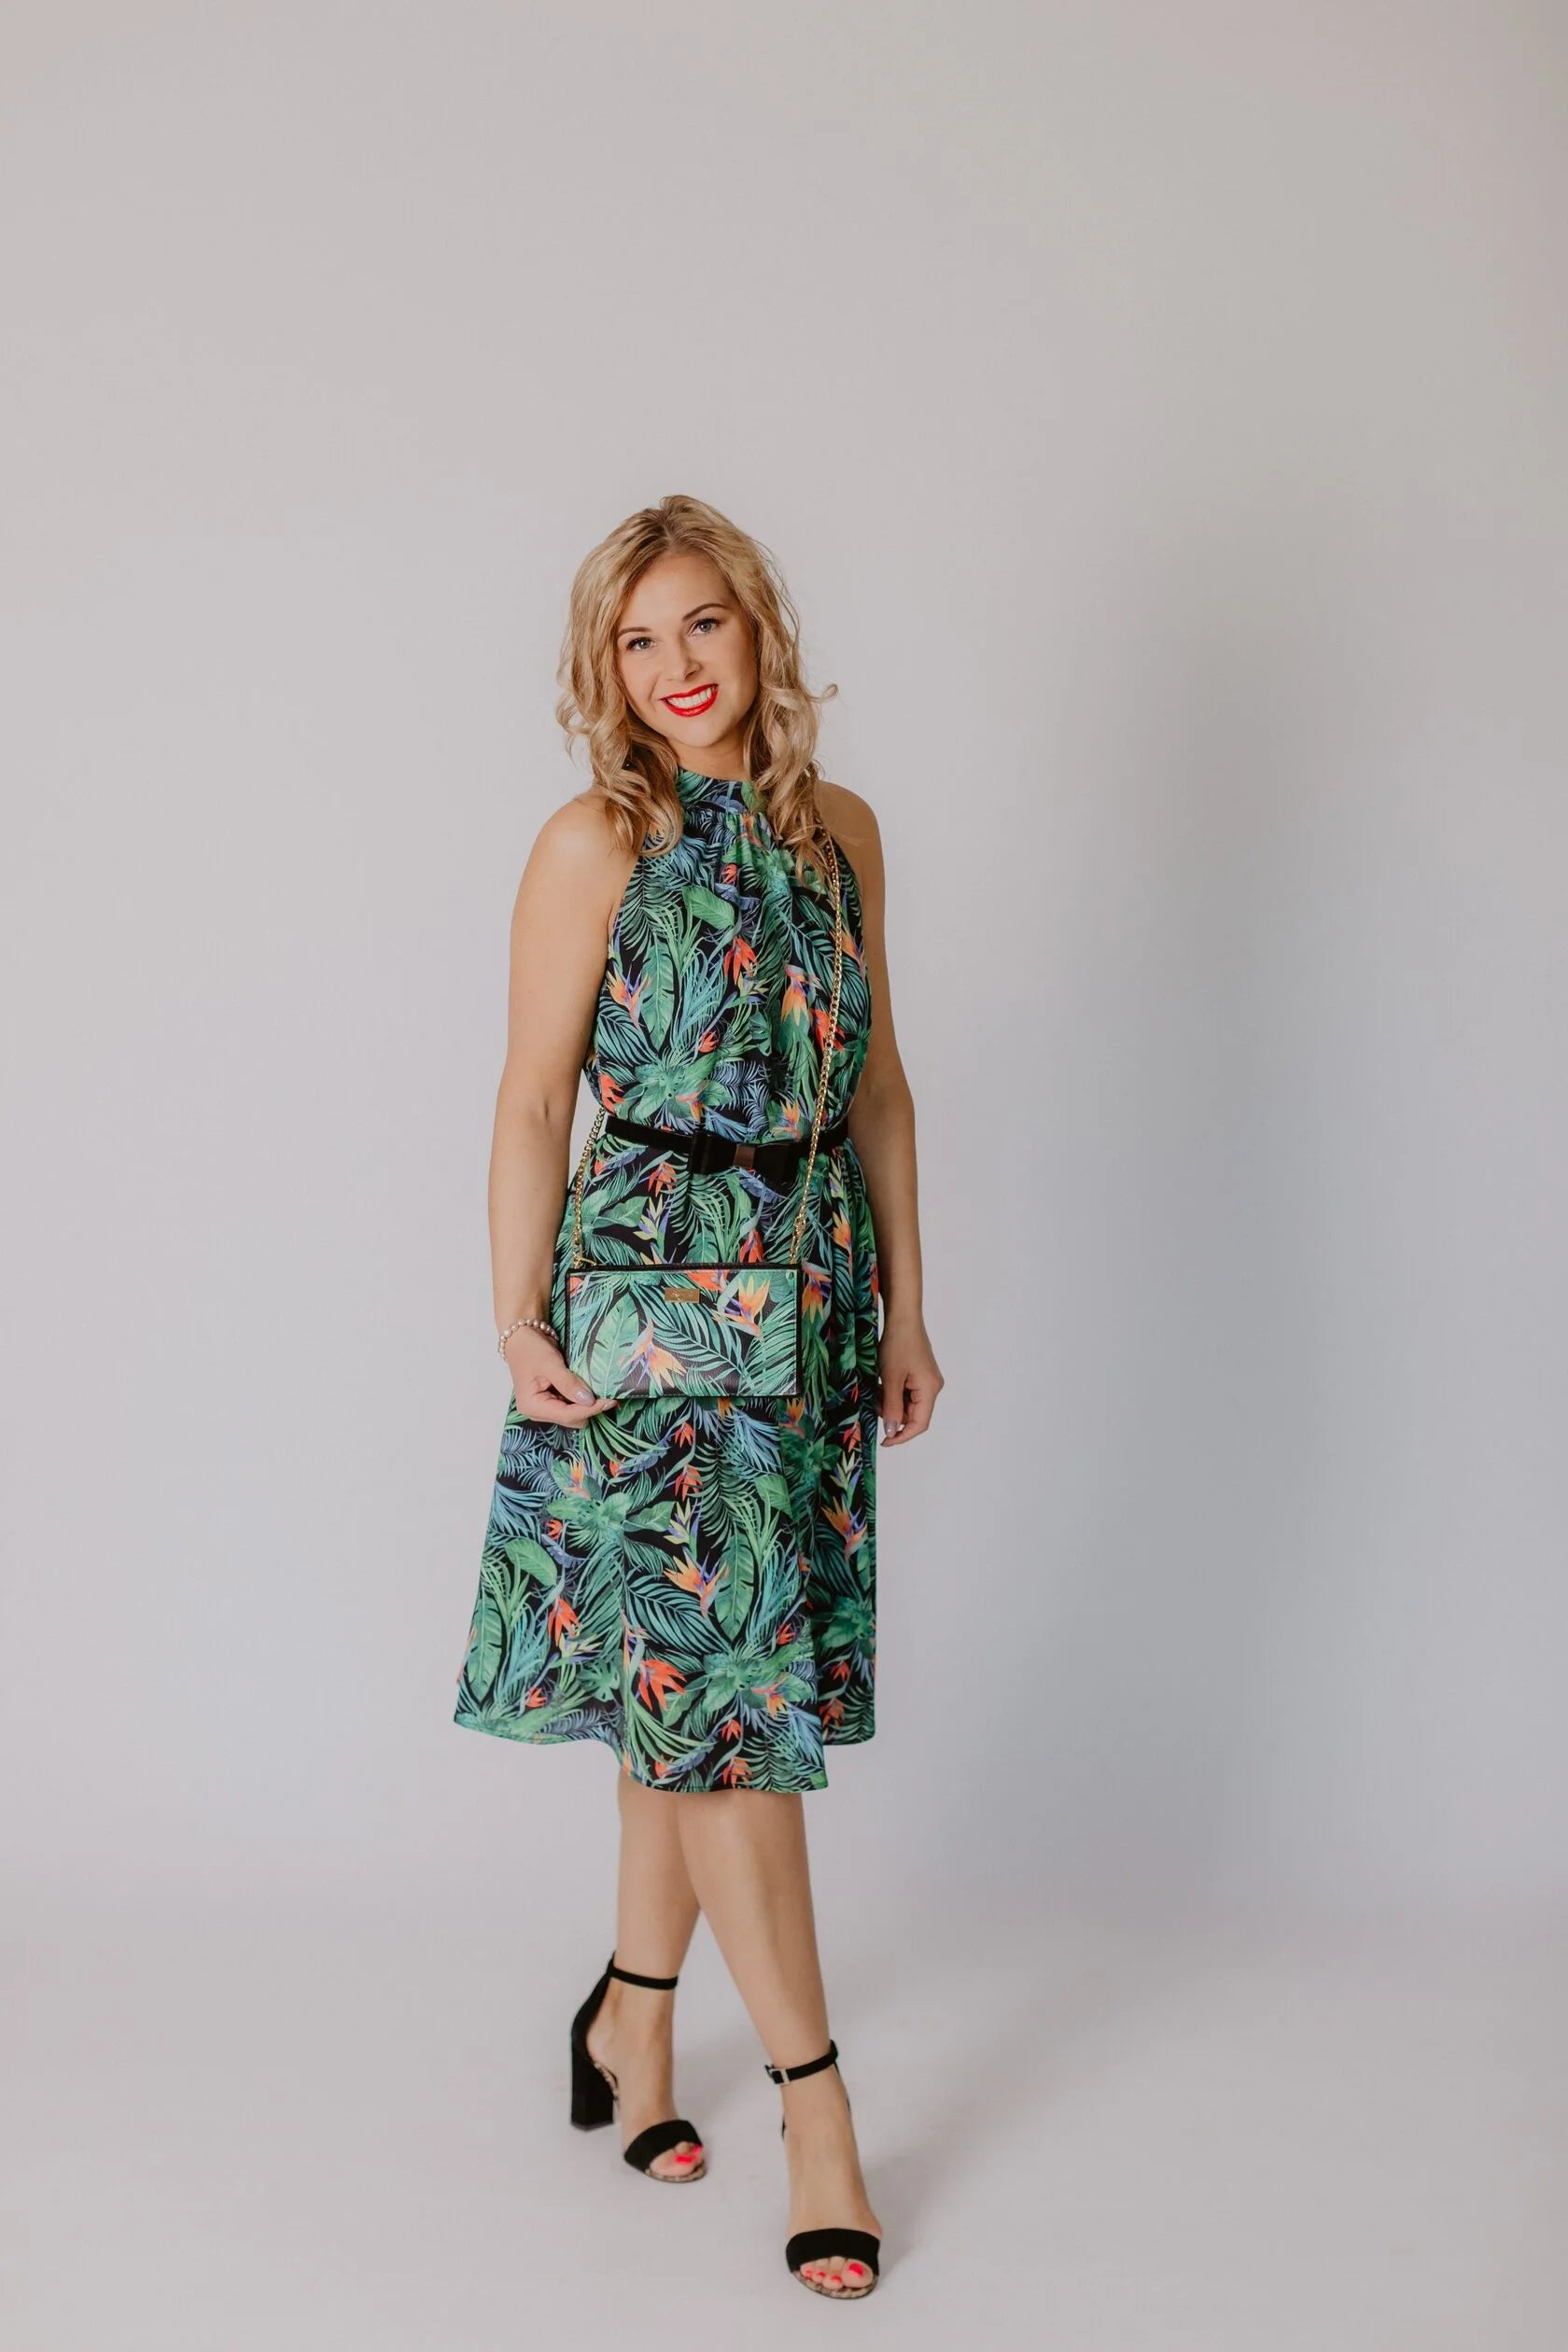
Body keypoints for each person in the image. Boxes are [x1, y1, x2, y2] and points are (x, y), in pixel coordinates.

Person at [452, 493, 943, 2299]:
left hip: (807, 1290)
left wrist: (906, 1308)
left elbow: (879, 1086)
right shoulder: (594, 841)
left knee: (693, 1691)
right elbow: (532, 1097)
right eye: (639, 638)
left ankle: (633, 2019)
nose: (675, 666)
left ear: (759, 632)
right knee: (727, 1706)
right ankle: (820, 2108)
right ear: (608, 665)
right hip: (651, 1299)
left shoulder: (844, 834)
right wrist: (516, 1316)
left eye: (703, 626)